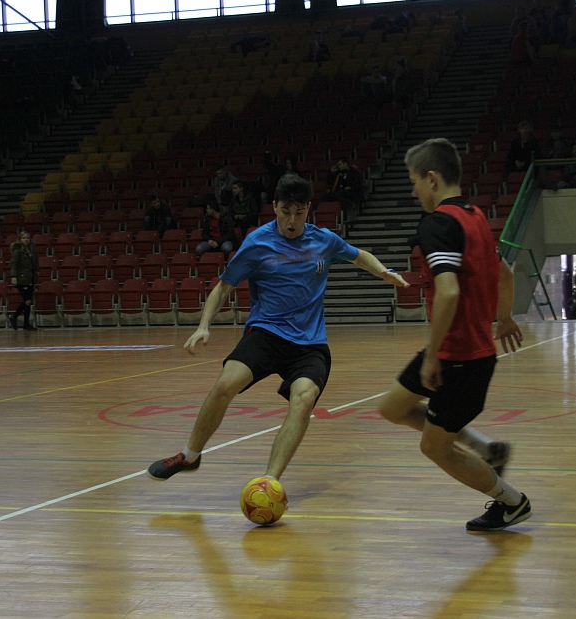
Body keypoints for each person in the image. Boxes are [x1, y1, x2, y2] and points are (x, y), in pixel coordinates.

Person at [147, 173, 409, 487]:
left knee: (304, 399)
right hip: (266, 334)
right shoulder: (258, 242)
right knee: (223, 385)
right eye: (286, 211)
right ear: (275, 207)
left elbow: (357, 255)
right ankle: (190, 455)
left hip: (310, 345)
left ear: (308, 209)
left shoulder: (323, 240)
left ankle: (269, 482)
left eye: (299, 213)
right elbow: (223, 287)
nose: (292, 220)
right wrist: (204, 325)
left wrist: (383, 270)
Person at [376, 139, 529, 532]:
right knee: (392, 408)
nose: (413, 192)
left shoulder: (437, 223)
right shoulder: (476, 216)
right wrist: (505, 319)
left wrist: (432, 357)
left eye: (414, 182)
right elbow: (506, 273)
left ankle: (512, 502)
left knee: (434, 447)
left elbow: (448, 290)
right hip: (455, 351)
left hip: (461, 358)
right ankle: (485, 448)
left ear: (432, 178)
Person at [9, 231, 40, 330]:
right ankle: (14, 317)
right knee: (27, 301)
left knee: (29, 302)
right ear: (20, 239)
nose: (26, 240)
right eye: (23, 238)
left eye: (27, 238)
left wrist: (37, 271)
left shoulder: (31, 250)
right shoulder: (18, 251)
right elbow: (13, 264)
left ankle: (26, 323)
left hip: (30, 278)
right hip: (21, 279)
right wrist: (13, 276)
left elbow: (35, 263)